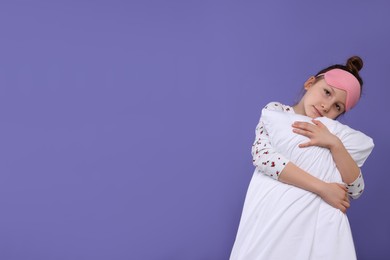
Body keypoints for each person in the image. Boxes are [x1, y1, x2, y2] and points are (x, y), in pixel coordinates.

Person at [230, 56, 374, 260]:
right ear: (309, 83)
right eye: (326, 93)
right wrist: (323, 188)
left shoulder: (331, 133)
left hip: (308, 221)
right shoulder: (277, 112)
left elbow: (356, 189)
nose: (326, 107)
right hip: (271, 210)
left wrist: (334, 143)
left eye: (337, 107)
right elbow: (263, 157)